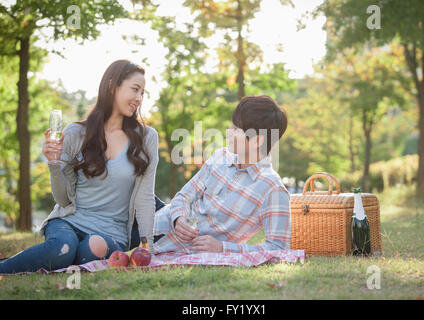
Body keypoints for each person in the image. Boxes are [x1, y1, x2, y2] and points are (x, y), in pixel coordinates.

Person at [0, 59, 162, 274]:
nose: (139, 98)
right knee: (62, 249)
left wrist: (145, 243)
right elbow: (63, 200)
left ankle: (46, 259)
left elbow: (145, 196)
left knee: (92, 249)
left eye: (142, 92)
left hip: (111, 233)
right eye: (135, 89)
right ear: (113, 86)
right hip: (69, 222)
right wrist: (54, 164)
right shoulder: (77, 134)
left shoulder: (147, 138)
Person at [152, 95, 291, 254]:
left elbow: (278, 248)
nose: (228, 132)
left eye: (236, 129)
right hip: (156, 222)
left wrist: (223, 248)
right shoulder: (220, 157)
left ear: (257, 141)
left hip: (172, 250)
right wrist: (179, 218)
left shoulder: (272, 189)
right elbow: (184, 196)